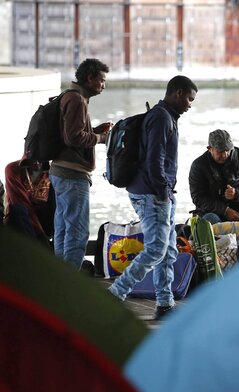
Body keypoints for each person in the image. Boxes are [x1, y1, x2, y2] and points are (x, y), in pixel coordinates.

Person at [108, 75, 198, 320]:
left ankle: (164, 303)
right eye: (189, 99)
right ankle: (116, 293)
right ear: (178, 93)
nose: (190, 104)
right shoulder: (161, 118)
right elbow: (155, 160)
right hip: (153, 194)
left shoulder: (165, 116)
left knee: (167, 251)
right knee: (157, 249)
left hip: (158, 192)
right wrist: (162, 191)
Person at [49, 58, 112, 269]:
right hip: (72, 174)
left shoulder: (69, 96)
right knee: (78, 232)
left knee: (63, 228)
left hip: (59, 171)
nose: (103, 85)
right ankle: (70, 285)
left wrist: (94, 131)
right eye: (101, 80)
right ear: (90, 78)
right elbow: (74, 138)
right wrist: (101, 139)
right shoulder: (76, 100)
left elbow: (71, 135)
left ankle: (59, 278)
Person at [3, 159, 55, 245]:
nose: (37, 162)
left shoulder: (52, 172)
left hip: (44, 223)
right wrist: (41, 238)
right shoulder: (13, 169)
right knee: (19, 209)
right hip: (21, 221)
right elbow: (22, 206)